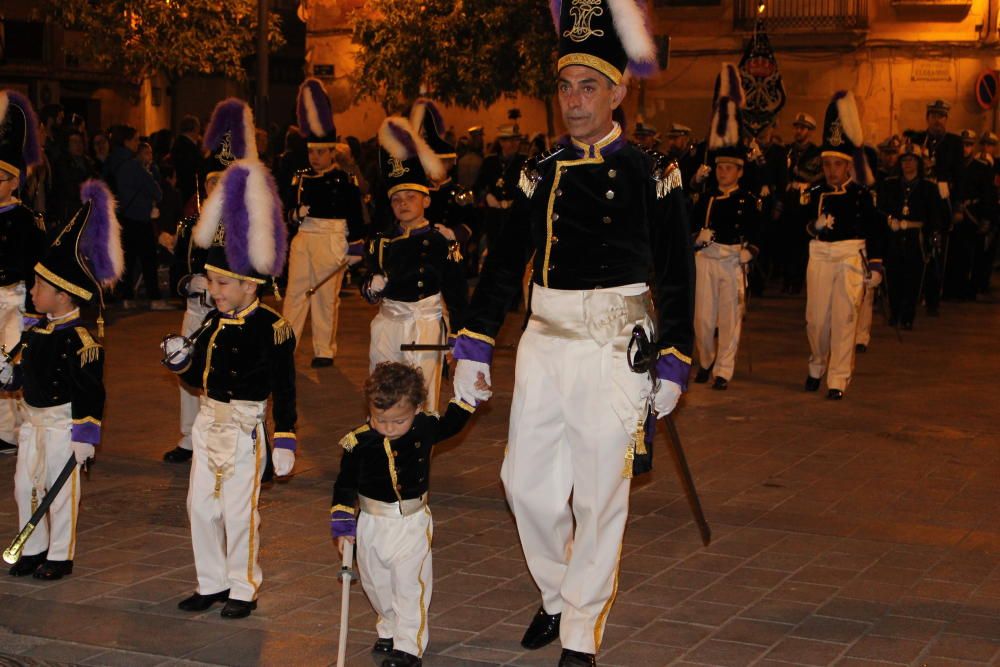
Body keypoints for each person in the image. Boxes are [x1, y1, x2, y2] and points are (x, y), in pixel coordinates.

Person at [450, 3, 694, 664]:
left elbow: (675, 271)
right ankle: (558, 591)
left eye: (589, 86)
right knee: (523, 482)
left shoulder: (654, 171)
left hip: (616, 345)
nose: (574, 100)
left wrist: (674, 355)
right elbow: (503, 264)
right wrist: (474, 339)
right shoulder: (540, 171)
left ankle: (581, 627)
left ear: (618, 90)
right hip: (545, 340)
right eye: (564, 86)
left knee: (599, 487)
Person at [162, 137, 296, 619]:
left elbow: (285, 387)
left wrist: (286, 438)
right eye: (212, 282)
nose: (212, 291)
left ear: (249, 285)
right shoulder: (213, 323)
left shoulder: (273, 327)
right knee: (201, 507)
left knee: (239, 513)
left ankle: (242, 586)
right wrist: (182, 363)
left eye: (222, 284)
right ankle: (210, 581)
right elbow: (199, 376)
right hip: (209, 424)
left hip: (245, 429)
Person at [3, 179, 123, 579]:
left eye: (41, 287)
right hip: (32, 423)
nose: (33, 292)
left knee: (60, 494)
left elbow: (92, 391)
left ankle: (60, 554)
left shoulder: (82, 340)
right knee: (26, 486)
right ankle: (32, 546)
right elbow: (25, 373)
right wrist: (9, 374)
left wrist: (86, 436)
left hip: (61, 426)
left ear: (65, 296)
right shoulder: (36, 331)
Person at [330, 362, 484, 667]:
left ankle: (408, 646)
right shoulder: (358, 441)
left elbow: (453, 422)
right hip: (371, 523)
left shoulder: (424, 426)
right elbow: (344, 485)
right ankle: (388, 627)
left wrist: (470, 394)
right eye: (380, 420)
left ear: (416, 408)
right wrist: (343, 524)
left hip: (411, 523)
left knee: (409, 584)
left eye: (398, 421)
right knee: (376, 585)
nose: (388, 428)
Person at [162, 98, 255, 464]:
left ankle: (228, 430)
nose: (219, 190)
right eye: (214, 182)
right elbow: (176, 271)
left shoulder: (247, 228)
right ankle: (188, 436)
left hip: (232, 312)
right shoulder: (191, 224)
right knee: (187, 371)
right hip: (197, 310)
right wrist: (189, 282)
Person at [362, 116, 467, 412]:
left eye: (411, 197)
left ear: (426, 201)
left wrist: (457, 336)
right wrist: (372, 286)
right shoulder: (381, 242)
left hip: (424, 326)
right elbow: (367, 283)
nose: (403, 204)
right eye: (397, 199)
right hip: (388, 324)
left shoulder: (438, 242)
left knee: (422, 393)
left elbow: (457, 293)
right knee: (383, 389)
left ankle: (418, 450)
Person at [803, 91, 884, 400]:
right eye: (827, 165)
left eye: (837, 165)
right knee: (816, 320)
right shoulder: (815, 191)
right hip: (820, 255)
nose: (831, 171)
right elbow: (801, 224)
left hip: (850, 256)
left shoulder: (863, 194)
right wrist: (814, 226)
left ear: (849, 167)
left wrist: (875, 264)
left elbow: (876, 229)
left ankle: (838, 378)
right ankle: (817, 362)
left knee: (844, 317)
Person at [282, 78, 365, 367]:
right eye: (311, 152)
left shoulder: (344, 179)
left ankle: (324, 350)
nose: (315, 157)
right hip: (305, 237)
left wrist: (356, 245)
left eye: (321, 152)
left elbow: (355, 212)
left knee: (325, 297)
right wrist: (295, 214)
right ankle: (285, 347)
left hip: (332, 237)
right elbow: (287, 210)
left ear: (332, 152)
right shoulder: (300, 177)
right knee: (295, 293)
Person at [691, 97, 761, 389]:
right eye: (720, 168)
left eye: (729, 169)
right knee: (703, 321)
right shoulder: (705, 196)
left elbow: (759, 229)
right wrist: (697, 237)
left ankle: (724, 370)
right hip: (706, 259)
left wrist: (750, 251)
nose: (723, 173)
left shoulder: (747, 200)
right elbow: (688, 218)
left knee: (730, 319)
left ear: (740, 171)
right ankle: (706, 360)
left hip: (732, 260)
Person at [0, 91, 48, 455]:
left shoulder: (26, 220)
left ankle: (14, 430)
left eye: (1, 177)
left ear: (14, 182)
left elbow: (34, 266)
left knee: (10, 360)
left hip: (15, 297)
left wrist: (34, 310)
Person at [876, 143, 945, 330]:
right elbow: (880, 209)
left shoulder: (928, 188)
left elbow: (935, 216)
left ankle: (908, 316)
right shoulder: (890, 185)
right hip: (895, 236)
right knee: (893, 277)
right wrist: (888, 220)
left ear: (918, 163)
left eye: (912, 160)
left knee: (913, 279)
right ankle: (894, 313)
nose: (908, 164)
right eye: (904, 160)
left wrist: (933, 236)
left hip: (917, 237)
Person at [170, 114, 203, 210]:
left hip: (183, 187)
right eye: (198, 128)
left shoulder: (180, 142)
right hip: (189, 189)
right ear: (194, 129)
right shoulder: (188, 146)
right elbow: (195, 168)